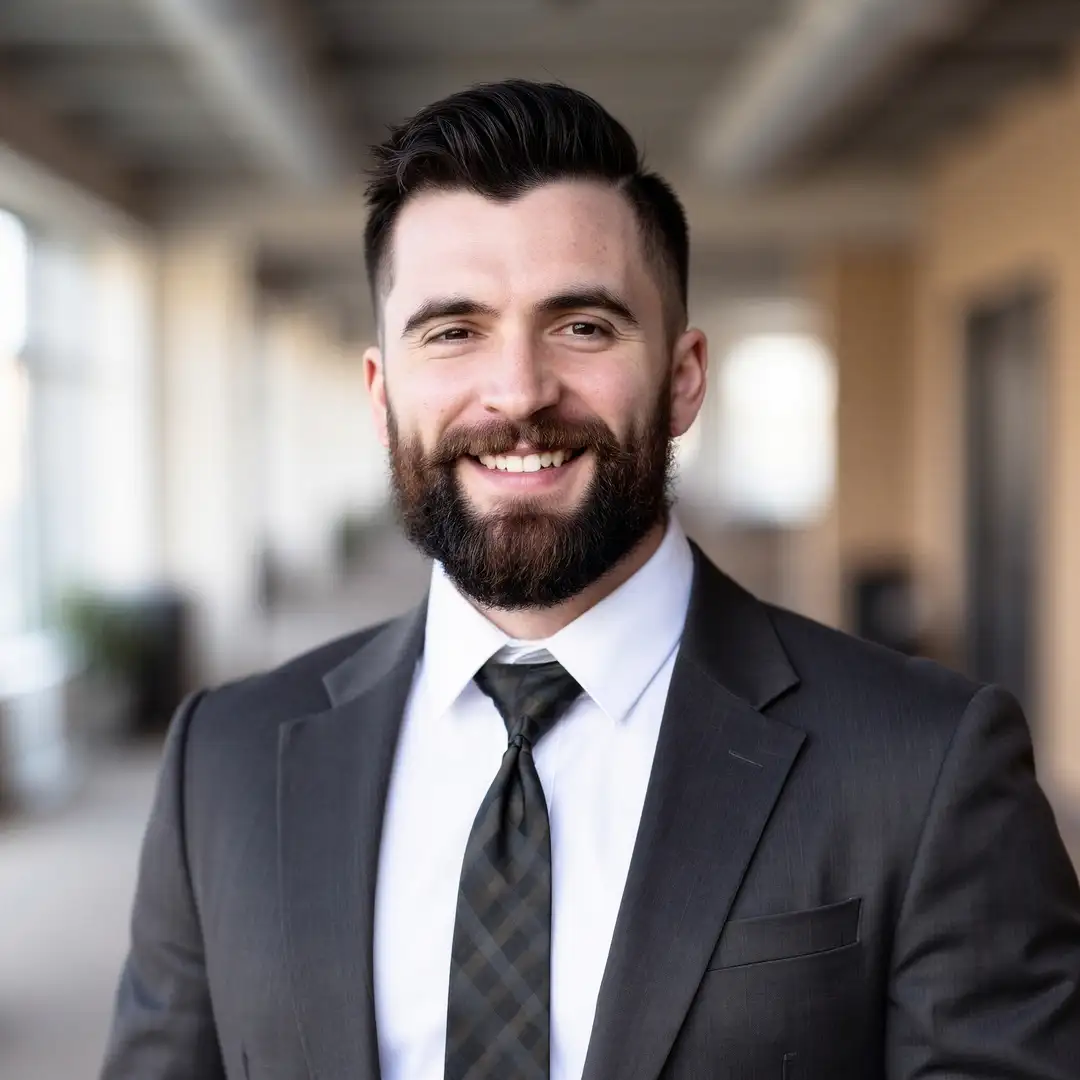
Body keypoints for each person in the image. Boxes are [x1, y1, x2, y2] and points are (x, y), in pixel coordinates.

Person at [100, 79, 1080, 1080]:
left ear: (684, 375)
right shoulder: (221, 765)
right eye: (453, 331)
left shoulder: (923, 765)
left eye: (583, 326)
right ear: (380, 389)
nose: (519, 391)